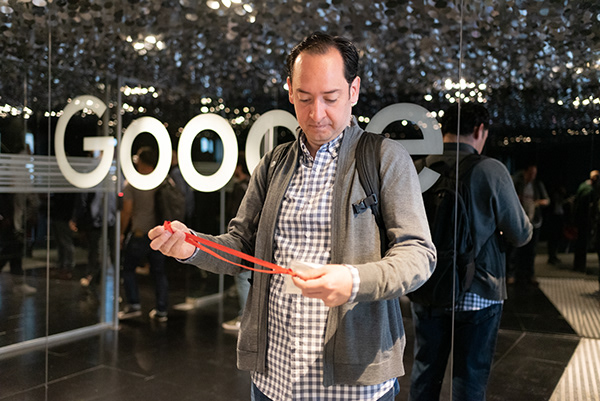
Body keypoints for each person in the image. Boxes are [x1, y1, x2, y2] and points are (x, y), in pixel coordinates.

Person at [149, 32, 436, 400]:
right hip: (274, 378)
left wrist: (353, 280)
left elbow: (418, 255)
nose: (316, 114)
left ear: (353, 91)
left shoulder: (383, 158)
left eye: (330, 98)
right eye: (304, 98)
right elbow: (241, 247)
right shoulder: (274, 163)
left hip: (352, 382)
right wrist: (191, 247)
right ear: (289, 90)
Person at [409, 103, 533, 401]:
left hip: (428, 286)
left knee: (425, 372)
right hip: (479, 289)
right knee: (469, 378)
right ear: (479, 130)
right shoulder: (491, 170)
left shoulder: (418, 167)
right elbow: (521, 234)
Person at [119, 146, 169, 322]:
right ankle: (162, 309)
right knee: (158, 272)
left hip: (140, 234)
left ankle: (133, 305)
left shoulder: (132, 183)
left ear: (140, 161)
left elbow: (127, 211)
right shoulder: (161, 181)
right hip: (159, 234)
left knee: (128, 269)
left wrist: (121, 232)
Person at [222, 157, 251, 332]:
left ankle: (244, 317)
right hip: (252, 239)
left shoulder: (242, 188)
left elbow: (237, 216)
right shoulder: (253, 184)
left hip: (245, 240)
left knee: (243, 277)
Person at [508, 164, 549, 285]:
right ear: (525, 172)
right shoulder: (518, 183)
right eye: (531, 173)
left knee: (531, 250)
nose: (532, 176)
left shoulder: (537, 185)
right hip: (519, 220)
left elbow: (546, 200)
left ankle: (529, 274)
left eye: (534, 174)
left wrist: (537, 203)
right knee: (515, 249)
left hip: (534, 221)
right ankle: (511, 273)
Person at [70, 188, 117, 287]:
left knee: (102, 249)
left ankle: (101, 276)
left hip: (107, 221)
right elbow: (82, 200)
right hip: (98, 221)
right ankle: (93, 275)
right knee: (95, 249)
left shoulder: (113, 182)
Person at [0, 193, 38, 295]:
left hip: (16, 221)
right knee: (10, 252)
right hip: (10, 221)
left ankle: (19, 284)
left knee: (14, 253)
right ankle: (19, 284)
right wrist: (4, 216)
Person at [573, 170, 600, 272]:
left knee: (580, 243)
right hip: (585, 220)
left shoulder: (583, 186)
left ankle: (578, 265)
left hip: (581, 219)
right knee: (582, 243)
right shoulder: (589, 189)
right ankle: (580, 265)